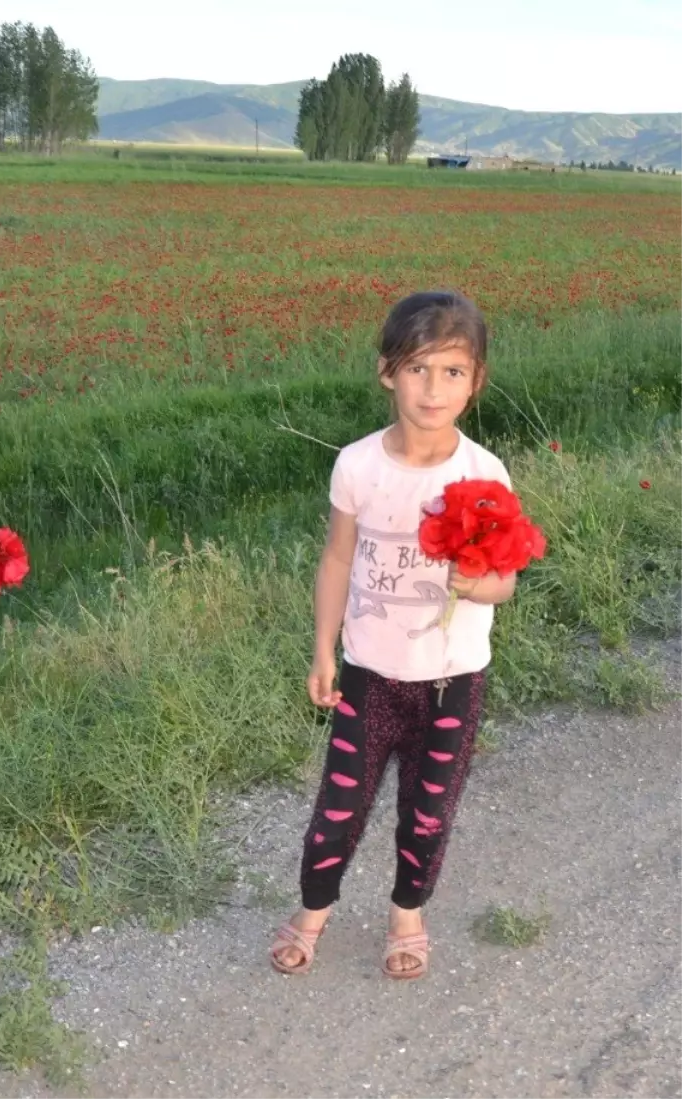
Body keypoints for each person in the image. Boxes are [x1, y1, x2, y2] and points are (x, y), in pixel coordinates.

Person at [270, 291, 517, 981]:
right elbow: (338, 559)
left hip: (452, 679)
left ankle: (408, 910)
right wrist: (324, 646)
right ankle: (314, 907)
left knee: (429, 810)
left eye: (452, 372)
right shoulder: (357, 465)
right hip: (370, 674)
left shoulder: (483, 473)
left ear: (477, 381)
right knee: (339, 806)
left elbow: (506, 580)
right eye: (417, 369)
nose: (432, 389)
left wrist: (477, 585)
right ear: (386, 372)